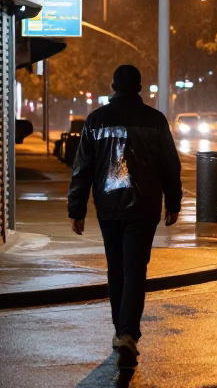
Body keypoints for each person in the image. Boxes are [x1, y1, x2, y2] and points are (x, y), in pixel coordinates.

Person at [68, 64, 182, 372]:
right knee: (135, 269)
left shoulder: (96, 120)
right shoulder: (155, 121)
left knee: (115, 268)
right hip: (144, 207)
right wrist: (174, 203)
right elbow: (171, 166)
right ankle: (128, 332)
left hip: (109, 205)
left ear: (114, 86)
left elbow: (82, 169)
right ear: (140, 87)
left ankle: (122, 331)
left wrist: (76, 209)